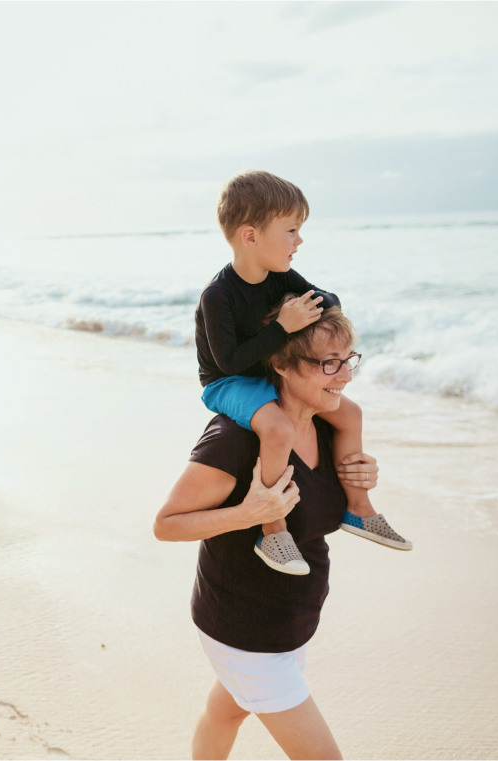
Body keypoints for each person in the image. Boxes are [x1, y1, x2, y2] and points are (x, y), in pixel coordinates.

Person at [155, 303, 389, 759]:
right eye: (328, 364)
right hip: (242, 628)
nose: (345, 376)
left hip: (292, 620)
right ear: (280, 363)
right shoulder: (235, 438)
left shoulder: (328, 424)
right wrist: (248, 512)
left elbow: (324, 512)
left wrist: (361, 479)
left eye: (349, 360)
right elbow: (166, 525)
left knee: (228, 711)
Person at [196, 170, 411, 574]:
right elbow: (230, 363)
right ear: (250, 236)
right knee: (278, 429)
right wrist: (282, 328)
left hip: (265, 368)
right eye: (292, 231)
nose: (300, 241)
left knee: (350, 414)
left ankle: (359, 509)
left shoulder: (280, 277)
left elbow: (331, 300)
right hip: (228, 382)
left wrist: (306, 306)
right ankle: (272, 528)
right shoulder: (218, 295)